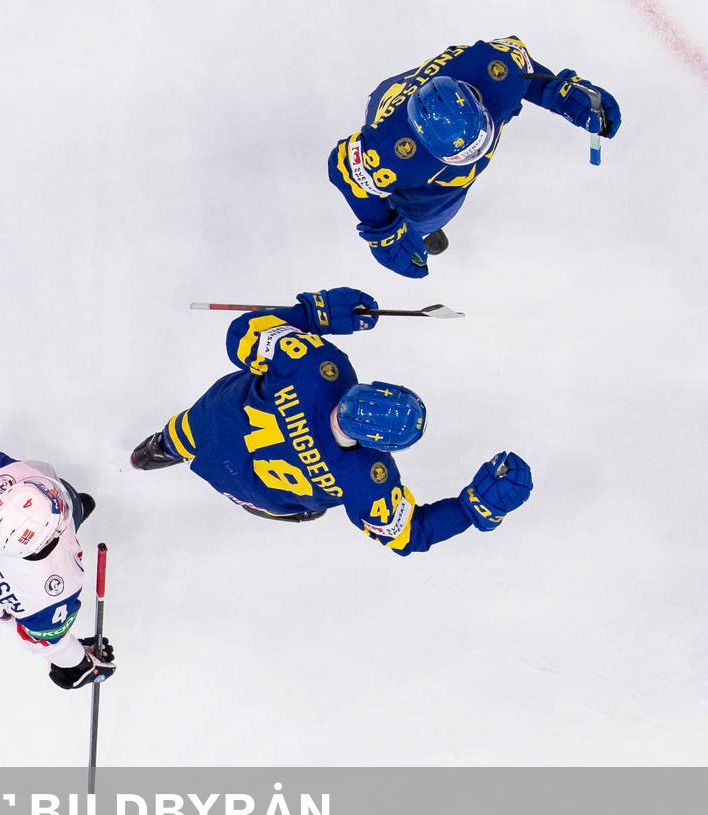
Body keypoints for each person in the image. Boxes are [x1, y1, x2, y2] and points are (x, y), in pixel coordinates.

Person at [129, 288, 532, 554]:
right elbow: (411, 535)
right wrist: (473, 510)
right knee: (303, 509)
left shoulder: (318, 366)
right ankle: (284, 509)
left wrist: (312, 314)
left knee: (187, 431)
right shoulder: (370, 480)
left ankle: (160, 449)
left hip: (215, 421)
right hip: (259, 490)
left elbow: (243, 334)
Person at [327, 37, 621, 275]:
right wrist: (385, 232)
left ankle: (424, 226)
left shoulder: (498, 71)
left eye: (478, 145)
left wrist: (562, 94)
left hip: (432, 88)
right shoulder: (393, 153)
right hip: (390, 108)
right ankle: (424, 227)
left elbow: (526, 68)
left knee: (449, 188)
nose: (476, 156)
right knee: (423, 208)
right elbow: (344, 168)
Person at [0, 412, 115, 690]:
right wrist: (79, 665)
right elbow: (48, 644)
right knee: (1, 610)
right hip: (4, 582)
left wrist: (80, 662)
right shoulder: (52, 593)